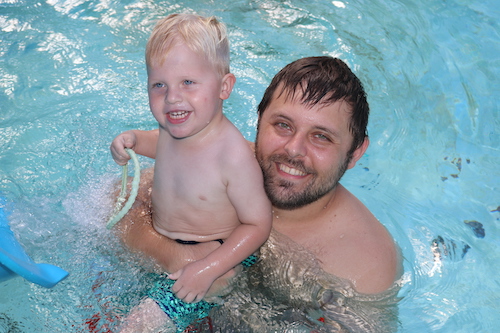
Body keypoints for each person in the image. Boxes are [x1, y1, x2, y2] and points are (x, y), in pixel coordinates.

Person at [112, 56, 402, 332]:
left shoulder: (365, 265)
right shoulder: (224, 165)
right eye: (283, 125)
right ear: (259, 119)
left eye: (321, 137)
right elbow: (115, 201)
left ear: (355, 153)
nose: (293, 150)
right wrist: (171, 254)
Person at [110, 13, 272, 332]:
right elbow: (161, 144)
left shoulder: (232, 155)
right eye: (159, 85)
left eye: (188, 82)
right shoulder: (176, 127)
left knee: (136, 327)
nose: (172, 97)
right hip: (166, 245)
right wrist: (133, 140)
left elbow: (257, 224)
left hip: (209, 265)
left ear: (224, 87)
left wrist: (208, 269)